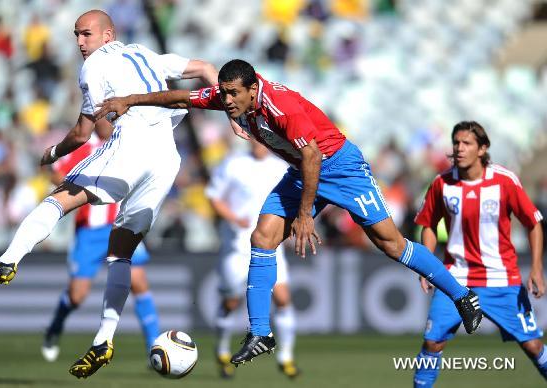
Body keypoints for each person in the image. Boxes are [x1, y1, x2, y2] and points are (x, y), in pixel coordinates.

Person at [93, 59, 483, 366]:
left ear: (251, 88)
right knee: (261, 238)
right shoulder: (234, 96)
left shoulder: (281, 107)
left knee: (393, 245)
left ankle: (462, 295)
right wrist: (130, 101)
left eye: (232, 95)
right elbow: (180, 99)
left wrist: (305, 214)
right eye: (223, 94)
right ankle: (261, 332)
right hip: (303, 169)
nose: (226, 102)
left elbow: (312, 154)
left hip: (340, 168)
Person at [0, 9, 219, 378]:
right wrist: (236, 118)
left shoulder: (94, 66)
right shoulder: (146, 54)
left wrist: (52, 153)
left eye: (86, 34)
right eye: (77, 35)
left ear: (107, 35)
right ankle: (103, 339)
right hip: (167, 158)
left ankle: (8, 259)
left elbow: (84, 132)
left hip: (131, 145)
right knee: (121, 253)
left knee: (61, 197)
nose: (81, 43)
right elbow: (207, 68)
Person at [412, 121, 546, 386]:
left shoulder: (504, 181)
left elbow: (533, 223)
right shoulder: (442, 183)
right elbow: (428, 224)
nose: (459, 149)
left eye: (467, 143)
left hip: (501, 277)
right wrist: (426, 266)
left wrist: (537, 268)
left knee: (533, 346)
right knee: (432, 342)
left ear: (483, 149)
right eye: (456, 143)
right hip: (454, 279)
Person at [41, 124, 159, 365]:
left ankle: (153, 347)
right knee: (77, 296)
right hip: (90, 232)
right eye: (107, 117)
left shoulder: (127, 141)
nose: (111, 121)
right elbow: (55, 173)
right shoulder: (84, 146)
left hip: (121, 225)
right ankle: (54, 327)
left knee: (138, 282)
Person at [206, 138, 299, 378]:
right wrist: (234, 218)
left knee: (283, 297)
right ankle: (223, 350)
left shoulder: (280, 167)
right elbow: (214, 197)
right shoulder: (233, 164)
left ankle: (286, 357)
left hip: (271, 243)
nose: (259, 144)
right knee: (232, 302)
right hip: (237, 245)